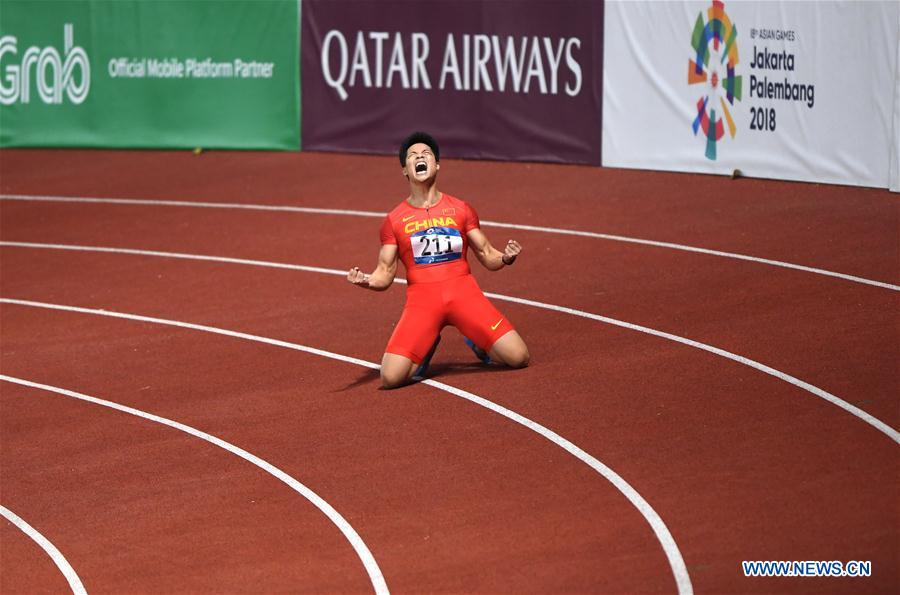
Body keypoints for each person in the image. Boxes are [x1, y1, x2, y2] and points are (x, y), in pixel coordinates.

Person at [348, 131, 530, 389]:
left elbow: (488, 255)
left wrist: (506, 257)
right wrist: (366, 280)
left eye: (426, 154)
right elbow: (384, 274)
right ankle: (428, 343)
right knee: (390, 378)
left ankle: (478, 342)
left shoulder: (461, 209)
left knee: (519, 357)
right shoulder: (394, 220)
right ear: (405, 171)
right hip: (423, 303)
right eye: (412, 156)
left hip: (465, 295)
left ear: (437, 165)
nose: (419, 158)